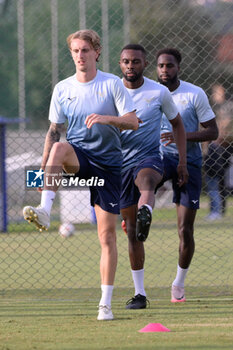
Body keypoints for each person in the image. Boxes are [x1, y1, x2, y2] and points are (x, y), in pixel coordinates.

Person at [23, 29, 139, 321]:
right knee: (60, 147)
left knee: (107, 236)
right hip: (80, 159)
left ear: (97, 52)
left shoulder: (112, 84)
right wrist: (42, 173)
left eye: (85, 50)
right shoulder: (63, 88)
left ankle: (105, 304)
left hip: (109, 168)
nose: (79, 56)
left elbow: (133, 122)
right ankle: (46, 211)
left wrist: (106, 119)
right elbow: (53, 132)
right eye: (75, 51)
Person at [119, 44, 188, 309]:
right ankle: (139, 294)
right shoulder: (111, 90)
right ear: (120, 64)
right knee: (132, 233)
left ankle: (146, 208)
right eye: (126, 61)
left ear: (145, 64)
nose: (130, 66)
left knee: (147, 179)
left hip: (149, 156)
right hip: (118, 165)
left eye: (135, 61)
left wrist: (182, 162)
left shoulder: (158, 92)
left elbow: (177, 124)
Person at [156, 48, 218, 302]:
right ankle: (138, 213)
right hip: (158, 160)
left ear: (178, 68)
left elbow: (212, 132)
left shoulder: (194, 94)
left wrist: (181, 136)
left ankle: (178, 284)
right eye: (160, 66)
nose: (164, 70)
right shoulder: (149, 94)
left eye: (169, 66)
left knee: (185, 229)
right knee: (142, 182)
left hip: (189, 163)